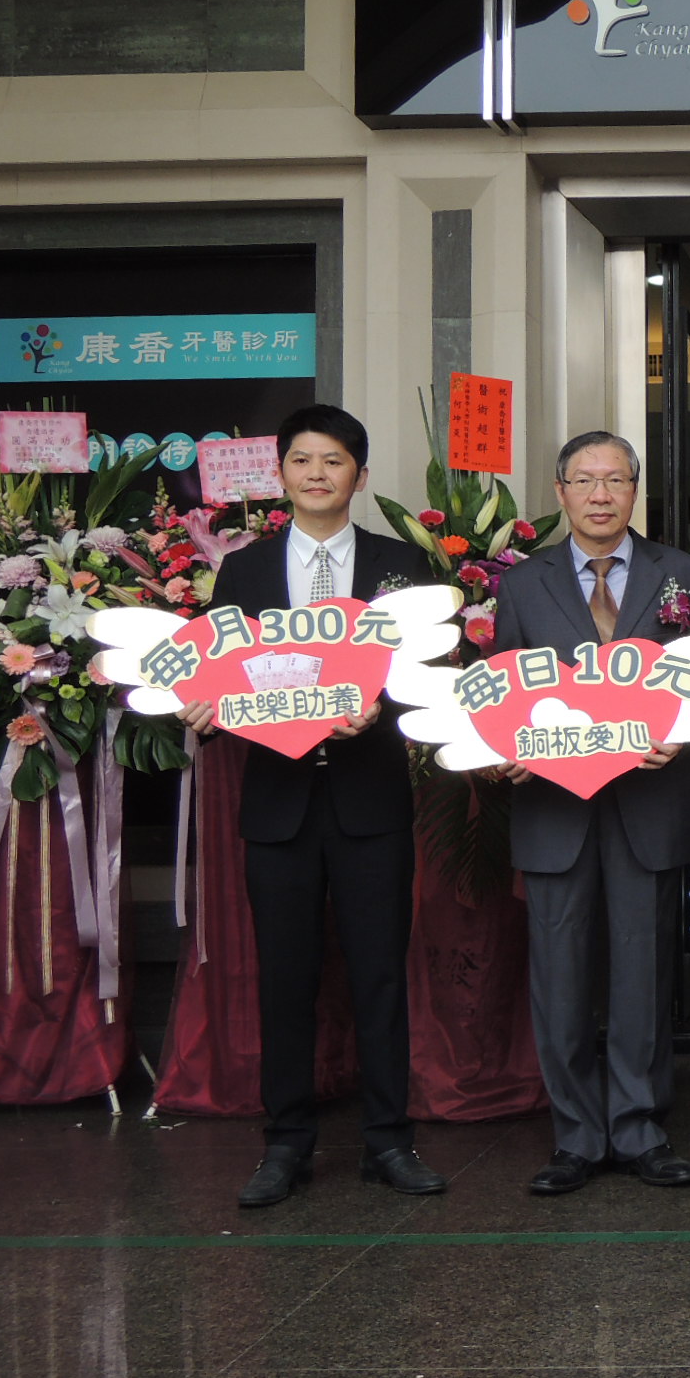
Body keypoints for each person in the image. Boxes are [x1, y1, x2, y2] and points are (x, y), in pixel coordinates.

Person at [196, 405, 444, 1208]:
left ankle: (388, 1142)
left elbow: (439, 672)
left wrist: (391, 710)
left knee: (379, 975)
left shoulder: (402, 565)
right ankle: (286, 1143)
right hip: (279, 807)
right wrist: (199, 708)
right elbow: (216, 679)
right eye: (301, 460)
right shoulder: (245, 572)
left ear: (359, 476)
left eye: (332, 461)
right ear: (281, 474)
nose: (315, 474)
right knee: (286, 979)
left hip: (371, 800)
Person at [492, 431, 690, 1197]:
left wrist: (681, 741)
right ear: (560, 491)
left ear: (634, 492)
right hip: (554, 808)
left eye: (615, 480)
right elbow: (503, 689)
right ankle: (575, 1138)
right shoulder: (522, 585)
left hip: (645, 804)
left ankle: (640, 1129)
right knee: (558, 976)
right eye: (584, 480)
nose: (600, 494)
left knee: (642, 975)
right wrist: (506, 748)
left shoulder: (680, 574)